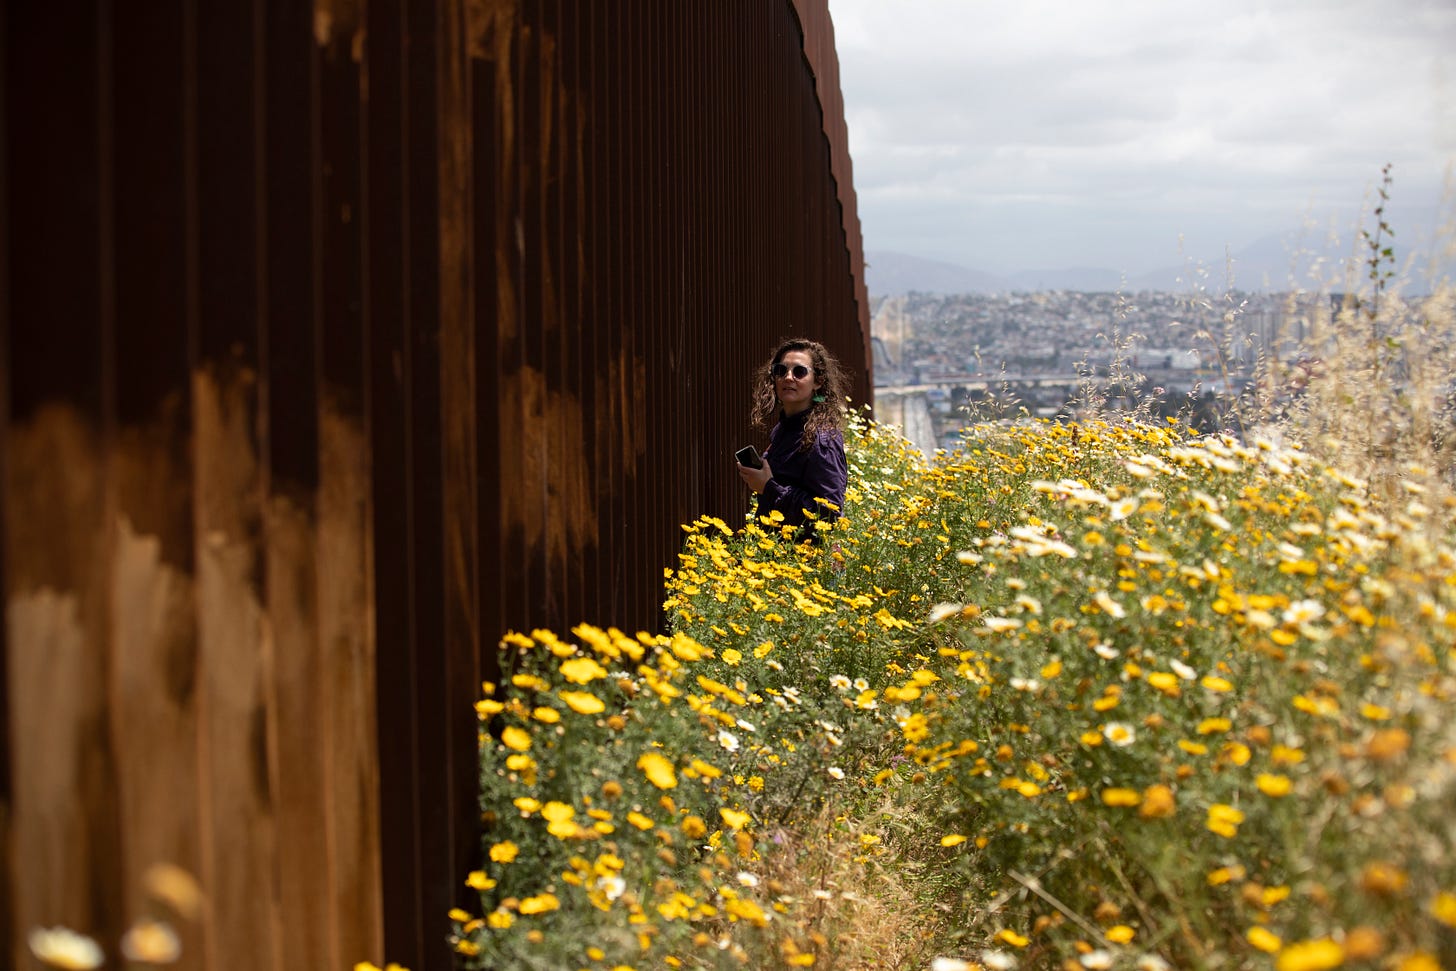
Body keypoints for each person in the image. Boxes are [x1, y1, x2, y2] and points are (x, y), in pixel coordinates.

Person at [736, 338, 849, 538]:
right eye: (781, 370)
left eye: (799, 372)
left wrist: (769, 487)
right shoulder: (785, 429)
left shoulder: (822, 439)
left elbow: (829, 516)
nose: (788, 377)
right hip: (780, 557)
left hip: (808, 562)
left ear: (818, 381)